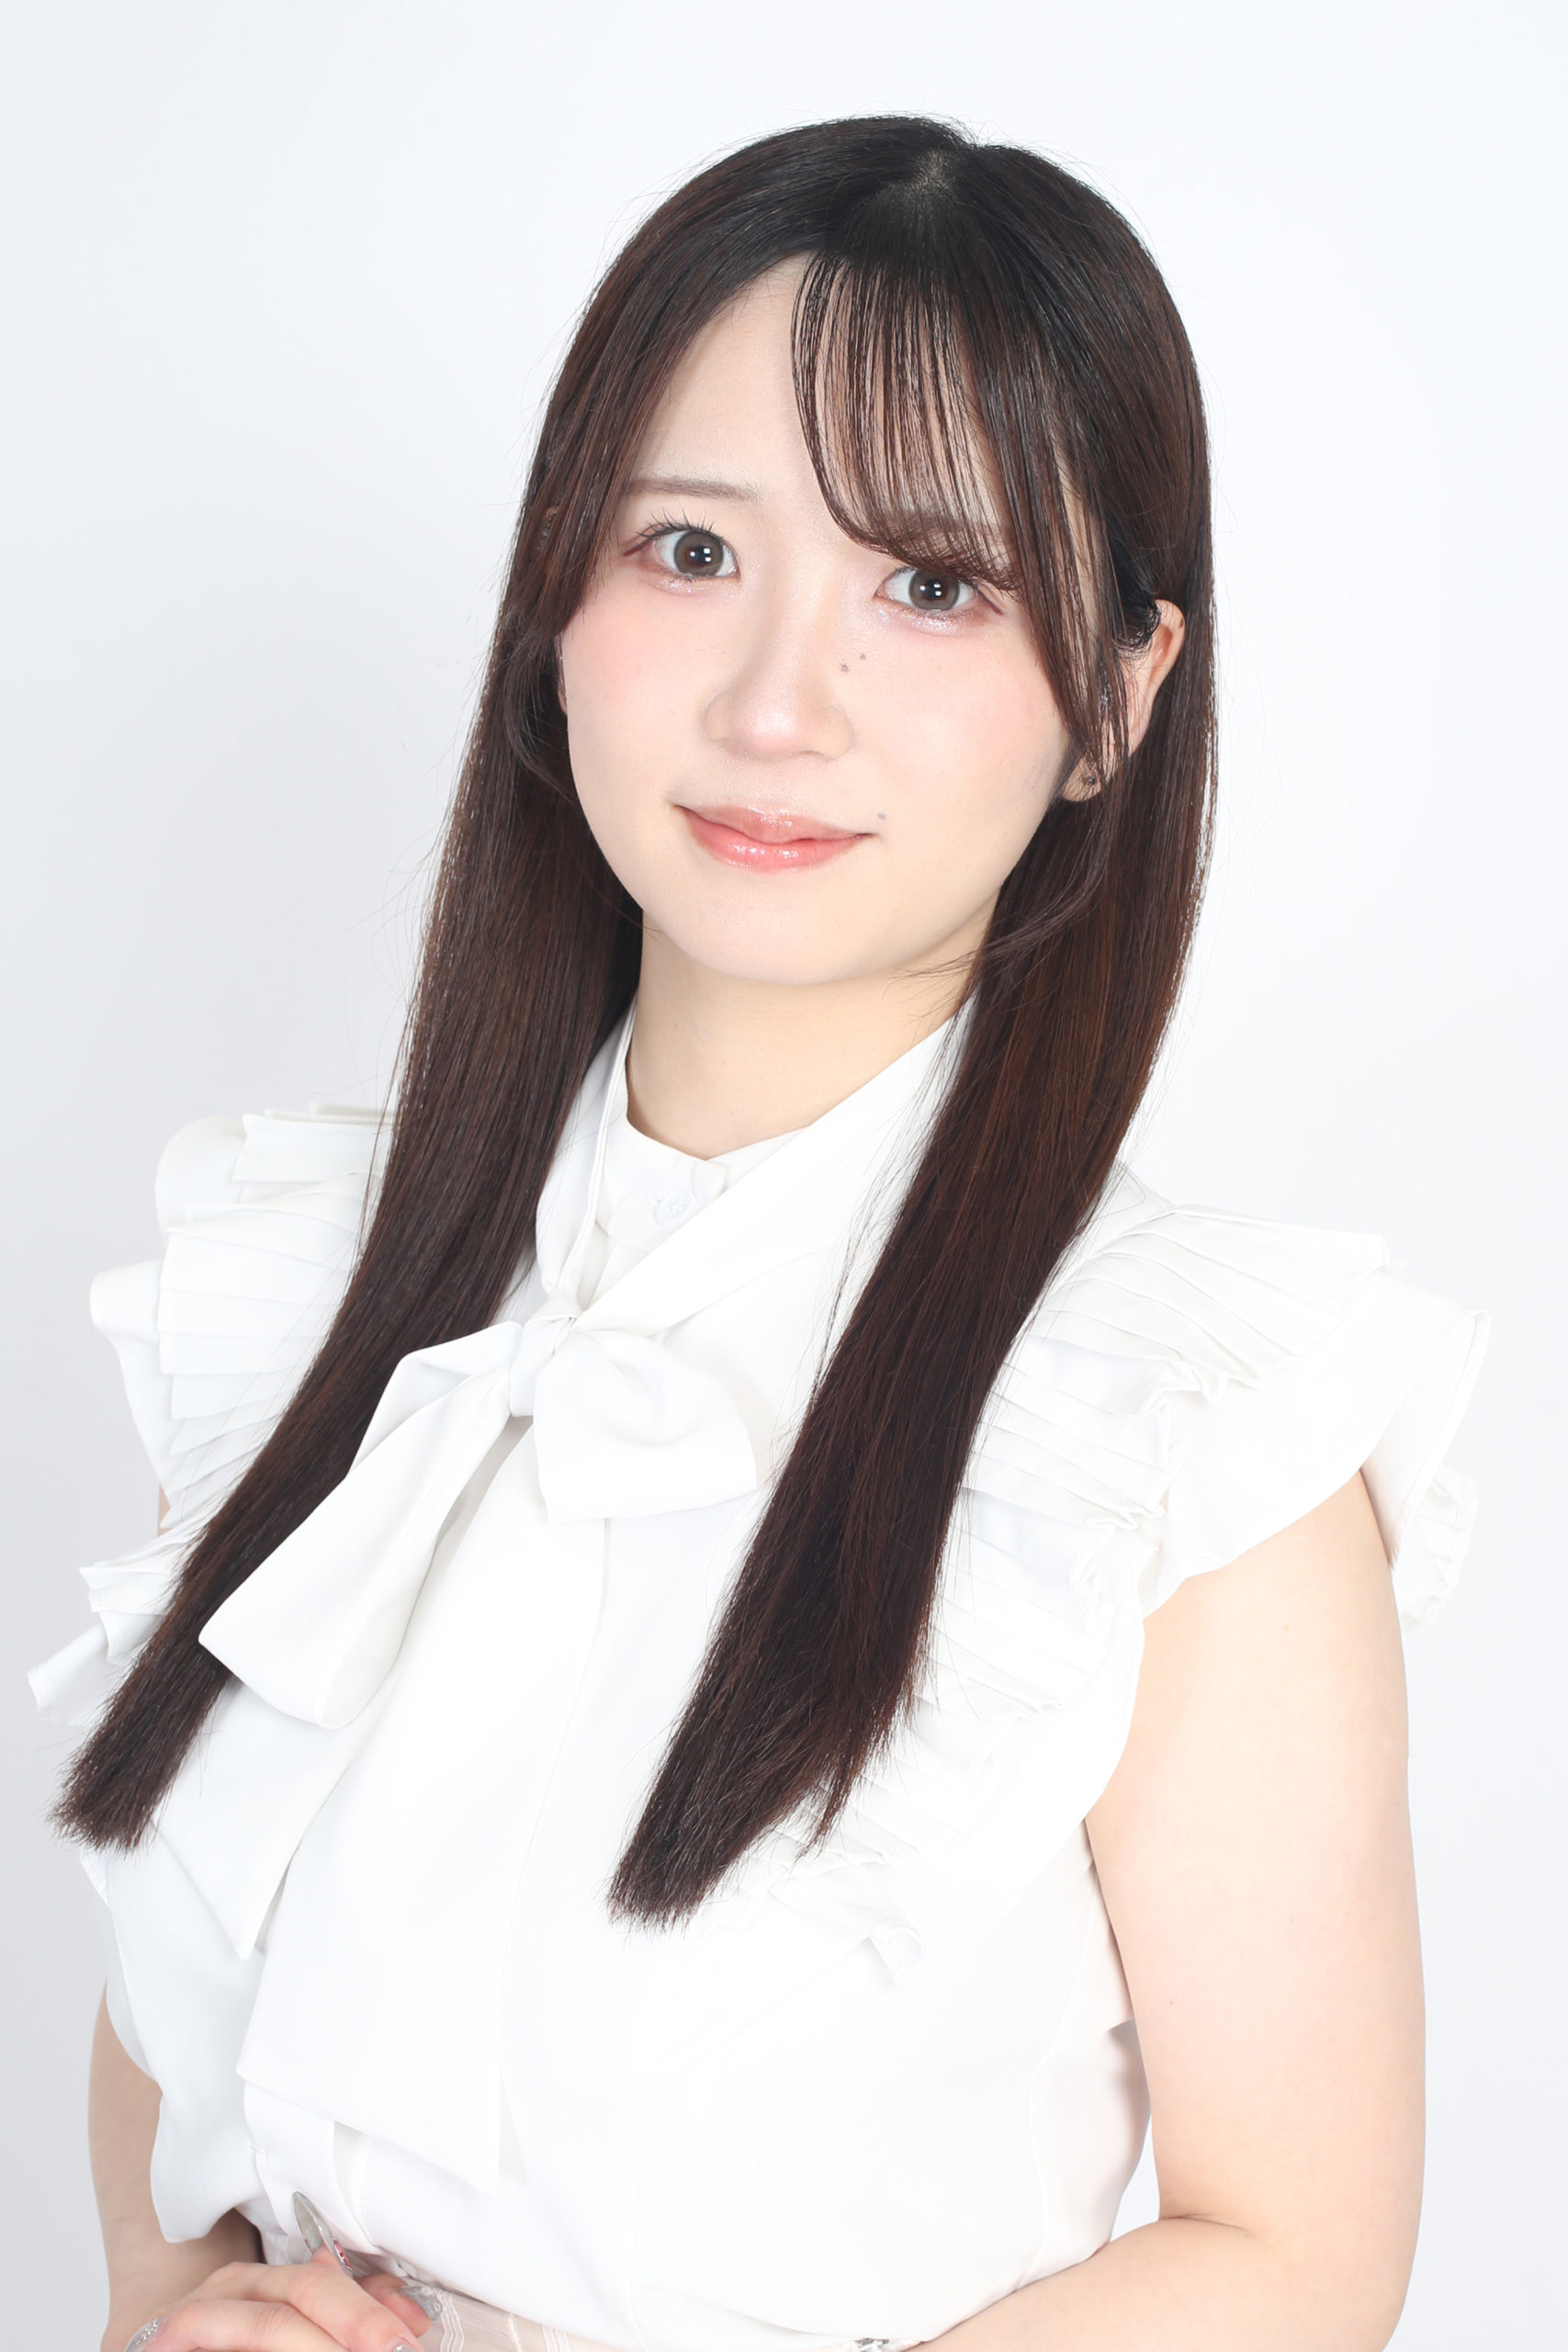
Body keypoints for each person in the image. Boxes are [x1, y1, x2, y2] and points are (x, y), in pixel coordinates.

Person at [34, 116, 1486, 2352]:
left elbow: (1290, 2258)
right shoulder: (310, 1295)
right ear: (557, 601)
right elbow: (178, 2024)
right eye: (691, 548)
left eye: (933, 584)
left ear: (1112, 698)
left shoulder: (1177, 1439)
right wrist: (179, 2306)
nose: (774, 702)